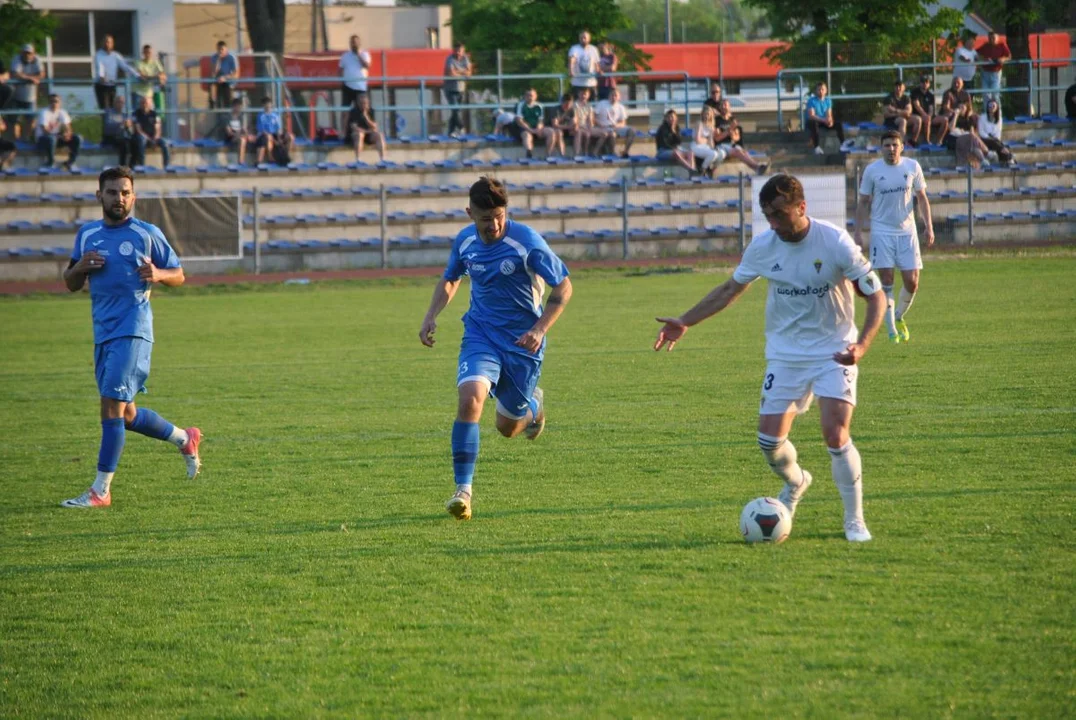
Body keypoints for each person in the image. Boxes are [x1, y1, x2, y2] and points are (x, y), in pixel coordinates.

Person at [654, 173, 885, 542]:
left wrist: (863, 345)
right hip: (785, 355)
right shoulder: (763, 247)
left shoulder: (836, 242)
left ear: (801, 207)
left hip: (834, 351)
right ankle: (797, 483)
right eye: (768, 216)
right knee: (769, 443)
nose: (774, 223)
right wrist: (686, 321)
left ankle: (854, 520)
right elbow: (730, 288)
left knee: (836, 433)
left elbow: (876, 296)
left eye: (779, 214)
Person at [419, 176, 573, 521]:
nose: (495, 225)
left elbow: (563, 287)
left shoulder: (527, 243)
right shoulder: (465, 241)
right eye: (486, 219)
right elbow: (451, 278)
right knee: (470, 398)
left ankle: (534, 407)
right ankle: (463, 491)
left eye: (500, 216)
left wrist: (539, 328)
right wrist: (431, 315)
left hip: (522, 344)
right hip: (481, 335)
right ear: (470, 213)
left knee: (508, 428)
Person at [60, 166, 201, 509]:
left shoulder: (146, 233)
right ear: (100, 196)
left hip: (134, 329)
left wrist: (159, 274)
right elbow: (70, 282)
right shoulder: (87, 235)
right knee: (126, 415)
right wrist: (80, 268)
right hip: (103, 334)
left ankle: (100, 491)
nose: (119, 198)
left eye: (125, 193)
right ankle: (185, 438)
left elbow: (179, 274)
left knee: (109, 405)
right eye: (112, 192)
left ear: (133, 197)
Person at [853, 130, 934, 344]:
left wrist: (929, 227)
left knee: (912, 282)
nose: (891, 149)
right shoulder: (872, 171)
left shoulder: (912, 167)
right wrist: (858, 232)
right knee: (887, 280)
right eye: (887, 145)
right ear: (881, 148)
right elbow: (863, 202)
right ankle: (891, 331)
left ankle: (898, 316)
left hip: (907, 232)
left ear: (902, 147)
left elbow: (922, 198)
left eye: (894, 145)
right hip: (882, 232)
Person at [35, 94, 82, 171]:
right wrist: (59, 136)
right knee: (52, 139)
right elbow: (45, 130)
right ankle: (50, 162)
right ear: (49, 103)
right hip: (43, 139)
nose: (54, 103)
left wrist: (67, 134)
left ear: (60, 103)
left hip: (56, 138)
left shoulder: (62, 112)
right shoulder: (44, 112)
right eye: (52, 101)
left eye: (56, 101)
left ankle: (70, 162)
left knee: (77, 138)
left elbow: (68, 127)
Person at [94, 35, 137, 111]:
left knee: (113, 108)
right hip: (101, 85)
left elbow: (125, 66)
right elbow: (100, 66)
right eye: (106, 42)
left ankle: (112, 122)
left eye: (110, 42)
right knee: (104, 109)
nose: (108, 44)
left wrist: (138, 75)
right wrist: (101, 76)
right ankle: (105, 122)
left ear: (112, 44)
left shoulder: (116, 55)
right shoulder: (98, 54)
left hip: (112, 85)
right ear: (103, 43)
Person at [11, 44, 45, 140]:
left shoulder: (37, 60)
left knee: (31, 119)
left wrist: (33, 78)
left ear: (33, 53)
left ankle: (26, 138)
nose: (27, 55)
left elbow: (42, 73)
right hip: (16, 95)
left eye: (29, 53)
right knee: (15, 120)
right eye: (25, 53)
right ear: (22, 53)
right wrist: (31, 78)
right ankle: (16, 141)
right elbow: (15, 73)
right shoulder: (17, 59)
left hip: (31, 96)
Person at [513, 88, 558, 159]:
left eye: (532, 95)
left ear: (536, 96)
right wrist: (531, 130)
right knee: (527, 136)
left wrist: (538, 129)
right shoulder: (520, 105)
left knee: (551, 132)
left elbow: (541, 120)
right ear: (525, 96)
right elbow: (519, 121)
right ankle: (529, 154)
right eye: (528, 95)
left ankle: (548, 154)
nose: (530, 97)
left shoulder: (540, 106)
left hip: (536, 128)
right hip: (525, 129)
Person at [591, 87, 635, 157]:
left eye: (616, 95)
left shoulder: (621, 107)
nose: (613, 97)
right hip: (602, 127)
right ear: (609, 96)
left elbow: (623, 122)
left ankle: (625, 151)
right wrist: (599, 124)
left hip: (615, 127)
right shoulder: (602, 103)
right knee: (612, 134)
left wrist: (617, 125)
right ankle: (611, 152)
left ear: (619, 97)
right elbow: (593, 117)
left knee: (632, 130)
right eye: (612, 95)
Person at [805, 81, 846, 154]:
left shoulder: (828, 100)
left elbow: (829, 114)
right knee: (813, 124)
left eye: (822, 89)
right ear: (816, 91)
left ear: (826, 91)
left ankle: (843, 145)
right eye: (819, 89)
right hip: (814, 121)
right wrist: (824, 120)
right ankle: (817, 147)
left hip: (824, 121)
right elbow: (812, 116)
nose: (821, 91)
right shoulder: (811, 101)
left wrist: (830, 121)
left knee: (838, 124)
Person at [131, 94, 170, 168]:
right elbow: (138, 129)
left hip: (153, 137)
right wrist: (149, 139)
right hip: (141, 137)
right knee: (141, 140)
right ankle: (141, 166)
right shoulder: (136, 114)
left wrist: (155, 138)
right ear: (140, 104)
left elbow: (158, 128)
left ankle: (166, 166)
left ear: (150, 104)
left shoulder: (154, 114)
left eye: (146, 103)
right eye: (143, 103)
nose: (145, 104)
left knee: (165, 143)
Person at [345, 94, 386, 162]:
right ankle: (358, 159)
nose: (363, 105)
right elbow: (354, 127)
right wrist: (368, 131)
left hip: (368, 134)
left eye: (365, 103)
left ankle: (382, 159)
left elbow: (375, 126)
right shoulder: (354, 112)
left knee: (379, 135)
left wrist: (366, 117)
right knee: (360, 134)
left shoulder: (371, 111)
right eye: (362, 103)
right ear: (358, 103)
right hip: (356, 135)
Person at [909, 75, 948, 146]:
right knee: (927, 119)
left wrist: (929, 115)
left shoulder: (930, 95)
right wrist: (925, 115)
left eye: (926, 82)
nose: (924, 84)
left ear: (929, 84)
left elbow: (931, 108)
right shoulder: (915, 92)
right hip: (918, 115)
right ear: (920, 83)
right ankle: (927, 140)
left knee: (945, 120)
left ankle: (939, 141)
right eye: (923, 82)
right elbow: (916, 105)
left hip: (928, 116)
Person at [443, 43, 472, 137]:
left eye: (460, 51)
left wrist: (457, 71)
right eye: (456, 50)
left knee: (455, 111)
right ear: (453, 50)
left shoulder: (465, 59)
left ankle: (450, 132)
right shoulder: (449, 59)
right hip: (450, 89)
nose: (458, 53)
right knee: (456, 109)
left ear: (463, 51)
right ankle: (461, 127)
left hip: (461, 89)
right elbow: (451, 74)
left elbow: (469, 73)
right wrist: (463, 72)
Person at [882, 80, 922, 145]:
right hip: (891, 120)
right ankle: (901, 142)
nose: (898, 88)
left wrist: (896, 111)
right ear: (894, 88)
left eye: (900, 86)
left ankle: (913, 141)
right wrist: (900, 114)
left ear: (904, 88)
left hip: (902, 116)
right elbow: (886, 115)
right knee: (903, 121)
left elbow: (908, 111)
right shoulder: (889, 98)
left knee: (918, 119)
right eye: (896, 86)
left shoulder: (906, 98)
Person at [654, 108, 695, 172]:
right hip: (662, 151)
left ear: (676, 118)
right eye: (669, 117)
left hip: (674, 150)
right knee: (676, 153)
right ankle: (691, 169)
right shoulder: (662, 128)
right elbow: (665, 144)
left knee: (690, 153)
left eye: (672, 117)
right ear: (666, 119)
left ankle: (692, 169)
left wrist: (674, 132)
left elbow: (679, 142)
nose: (671, 119)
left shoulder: (677, 127)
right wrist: (674, 149)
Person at [255, 96, 292, 166]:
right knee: (269, 137)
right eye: (267, 106)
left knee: (290, 137)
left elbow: (278, 129)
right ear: (264, 106)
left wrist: (279, 138)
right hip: (264, 135)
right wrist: (275, 141)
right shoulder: (260, 116)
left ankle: (286, 156)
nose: (269, 107)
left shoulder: (275, 116)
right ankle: (270, 159)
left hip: (274, 134)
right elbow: (262, 130)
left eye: (270, 105)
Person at [978, 98, 1015, 166]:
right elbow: (981, 132)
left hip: (995, 140)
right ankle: (1009, 157)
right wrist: (990, 138)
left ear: (997, 107)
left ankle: (1005, 159)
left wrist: (994, 138)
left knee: (996, 143)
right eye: (989, 106)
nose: (991, 108)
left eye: (993, 106)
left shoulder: (999, 119)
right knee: (998, 144)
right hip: (984, 139)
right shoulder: (982, 117)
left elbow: (998, 132)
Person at [551, 93, 590, 158]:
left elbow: (575, 122)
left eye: (570, 104)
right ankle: (562, 154)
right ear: (562, 102)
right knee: (559, 132)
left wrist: (575, 126)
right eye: (566, 104)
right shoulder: (556, 110)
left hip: (568, 129)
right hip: (558, 129)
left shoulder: (572, 110)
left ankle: (576, 154)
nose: (568, 106)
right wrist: (569, 127)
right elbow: (555, 125)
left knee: (578, 131)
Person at [339, 35, 371, 112]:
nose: (354, 44)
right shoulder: (345, 56)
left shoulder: (364, 54)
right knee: (345, 110)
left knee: (361, 109)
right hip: (348, 87)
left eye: (356, 42)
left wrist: (358, 55)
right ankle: (344, 124)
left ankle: (361, 123)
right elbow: (341, 69)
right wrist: (343, 82)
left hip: (360, 87)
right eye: (352, 42)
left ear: (359, 43)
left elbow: (367, 66)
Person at [977, 31, 1011, 104]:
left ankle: (997, 114)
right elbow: (976, 53)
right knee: (985, 94)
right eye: (990, 38)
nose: (991, 39)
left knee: (995, 94)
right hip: (985, 73)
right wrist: (983, 59)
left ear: (997, 38)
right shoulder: (985, 46)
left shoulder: (1002, 45)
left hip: (996, 73)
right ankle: (987, 114)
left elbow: (1009, 56)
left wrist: (1002, 59)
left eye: (993, 38)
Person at [100, 95, 135, 167]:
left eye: (122, 102)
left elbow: (131, 131)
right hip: (110, 137)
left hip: (122, 136)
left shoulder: (125, 114)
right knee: (124, 144)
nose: (120, 104)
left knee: (135, 142)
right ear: (114, 103)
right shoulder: (109, 113)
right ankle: (122, 166)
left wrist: (129, 126)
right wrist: (121, 123)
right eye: (118, 102)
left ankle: (133, 165)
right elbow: (107, 127)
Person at [691, 105, 725, 176]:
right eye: (705, 114)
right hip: (696, 146)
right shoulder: (699, 123)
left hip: (705, 147)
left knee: (722, 153)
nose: (706, 116)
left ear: (711, 115)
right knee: (713, 154)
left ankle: (710, 170)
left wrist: (713, 147)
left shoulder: (711, 126)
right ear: (702, 114)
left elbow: (711, 142)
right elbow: (697, 140)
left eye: (708, 114)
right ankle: (702, 169)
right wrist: (706, 140)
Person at [132, 44, 167, 110]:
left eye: (149, 52)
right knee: (137, 116)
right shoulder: (138, 63)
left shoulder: (156, 62)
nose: (148, 54)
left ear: (152, 53)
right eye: (146, 52)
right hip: (138, 93)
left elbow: (163, 75)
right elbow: (142, 77)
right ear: (143, 53)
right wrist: (156, 77)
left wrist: (161, 78)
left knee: (151, 115)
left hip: (149, 94)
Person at [568, 30, 601, 96]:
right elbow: (572, 60)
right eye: (581, 38)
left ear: (589, 39)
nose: (583, 39)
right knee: (576, 104)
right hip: (577, 83)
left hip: (591, 83)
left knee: (592, 104)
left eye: (584, 38)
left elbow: (596, 63)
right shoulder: (574, 48)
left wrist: (599, 70)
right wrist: (571, 70)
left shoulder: (593, 49)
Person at [222, 98, 253, 165]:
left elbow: (243, 129)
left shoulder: (240, 117)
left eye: (240, 107)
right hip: (230, 137)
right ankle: (241, 161)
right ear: (234, 107)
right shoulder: (227, 117)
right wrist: (238, 135)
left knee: (249, 138)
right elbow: (229, 132)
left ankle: (257, 162)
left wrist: (247, 134)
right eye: (238, 107)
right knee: (242, 139)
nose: (239, 109)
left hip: (239, 136)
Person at [210, 41, 239, 110]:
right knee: (214, 84)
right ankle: (214, 103)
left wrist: (225, 78)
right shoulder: (214, 57)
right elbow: (214, 72)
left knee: (226, 93)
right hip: (217, 80)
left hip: (227, 80)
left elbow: (235, 73)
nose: (220, 51)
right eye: (218, 49)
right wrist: (218, 60)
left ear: (226, 49)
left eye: (222, 49)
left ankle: (227, 107)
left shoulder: (230, 58)